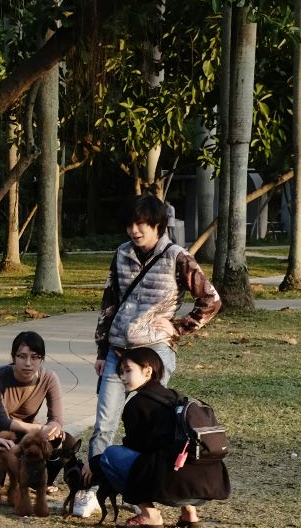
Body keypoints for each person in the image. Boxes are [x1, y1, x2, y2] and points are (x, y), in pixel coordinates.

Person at [88, 194, 221, 464]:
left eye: (141, 224)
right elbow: (110, 302)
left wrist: (179, 327)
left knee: (149, 422)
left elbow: (211, 300)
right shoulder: (122, 253)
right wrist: (102, 351)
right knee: (104, 423)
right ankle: (94, 485)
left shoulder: (178, 257)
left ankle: (144, 485)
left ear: (158, 225)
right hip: (118, 350)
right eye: (130, 225)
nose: (134, 231)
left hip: (154, 351)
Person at [88, 346, 229, 528]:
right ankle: (190, 513)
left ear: (148, 371)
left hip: (170, 489)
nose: (122, 376)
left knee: (110, 456)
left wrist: (94, 463)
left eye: (128, 370)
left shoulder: (136, 405)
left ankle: (149, 514)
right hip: (205, 488)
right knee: (175, 453)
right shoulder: (177, 397)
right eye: (120, 372)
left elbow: (135, 449)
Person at [0, 330, 69, 456]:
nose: (28, 363)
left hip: (30, 433)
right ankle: (1, 474)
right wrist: (40, 429)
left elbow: (57, 419)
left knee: (63, 443)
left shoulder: (49, 378)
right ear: (13, 357)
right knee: (15, 451)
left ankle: (43, 476)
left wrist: (52, 430)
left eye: (34, 357)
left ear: (42, 359)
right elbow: (3, 422)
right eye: (22, 356)